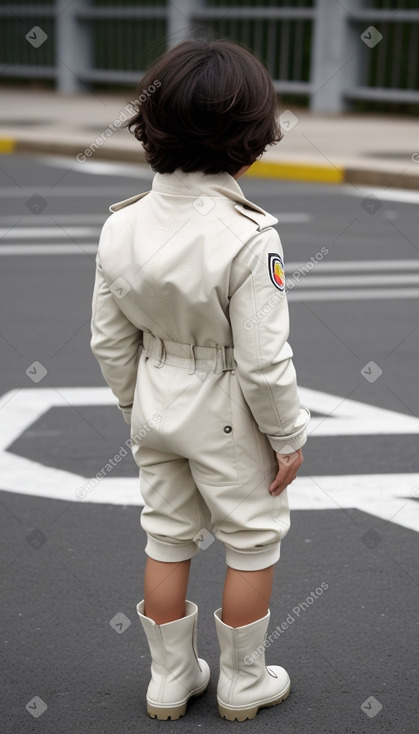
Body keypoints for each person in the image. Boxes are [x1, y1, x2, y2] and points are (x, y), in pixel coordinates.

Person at [90, 38, 310, 723]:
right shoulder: (249, 234)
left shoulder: (120, 223)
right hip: (226, 410)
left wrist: (134, 402)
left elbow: (107, 337)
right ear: (252, 137)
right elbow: (263, 360)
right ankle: (242, 684)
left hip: (154, 399)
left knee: (165, 535)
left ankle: (168, 679)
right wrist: (288, 436)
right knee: (249, 540)